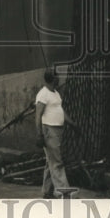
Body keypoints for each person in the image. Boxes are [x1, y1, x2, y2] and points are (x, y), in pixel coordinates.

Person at [35, 68, 75, 198]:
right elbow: (38, 115)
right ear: (52, 79)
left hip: (57, 130)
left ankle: (47, 191)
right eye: (57, 77)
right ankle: (64, 193)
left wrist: (73, 124)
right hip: (49, 130)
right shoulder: (43, 94)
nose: (59, 79)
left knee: (50, 162)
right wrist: (39, 134)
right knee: (57, 162)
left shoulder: (55, 93)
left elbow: (60, 111)